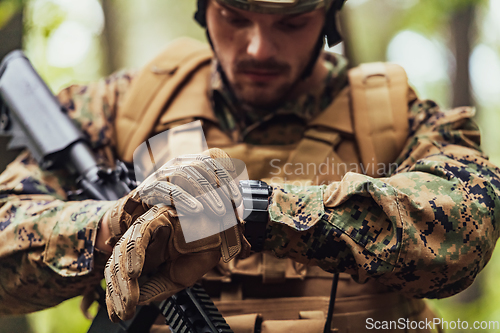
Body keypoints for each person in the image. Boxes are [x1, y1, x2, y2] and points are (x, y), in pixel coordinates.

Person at [1, 0, 499, 332]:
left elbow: (465, 226)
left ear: (328, 16)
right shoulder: (120, 107)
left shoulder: (394, 115)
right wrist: (111, 225)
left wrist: (248, 208)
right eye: (236, 16)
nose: (259, 47)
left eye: (291, 22)